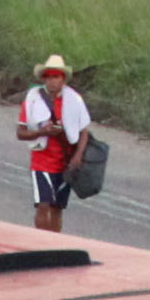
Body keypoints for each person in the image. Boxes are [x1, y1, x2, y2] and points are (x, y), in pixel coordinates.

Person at [16, 54, 94, 229]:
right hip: (41, 161)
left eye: (56, 76)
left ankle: (53, 245)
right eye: (48, 76)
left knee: (57, 207)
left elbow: (84, 131)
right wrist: (42, 132)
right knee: (43, 205)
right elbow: (20, 132)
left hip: (65, 162)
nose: (51, 81)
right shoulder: (33, 99)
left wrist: (78, 156)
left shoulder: (74, 100)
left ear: (63, 78)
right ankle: (40, 245)